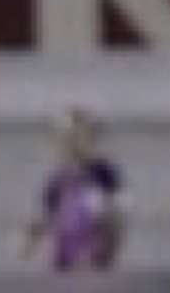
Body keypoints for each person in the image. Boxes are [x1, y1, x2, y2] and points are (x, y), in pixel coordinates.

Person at [24, 108, 128, 269]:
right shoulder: (58, 179)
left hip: (95, 255)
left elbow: (117, 211)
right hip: (65, 257)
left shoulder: (103, 173)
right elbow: (45, 214)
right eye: (65, 139)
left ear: (90, 138)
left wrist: (108, 242)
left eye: (77, 137)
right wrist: (31, 239)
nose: (71, 144)